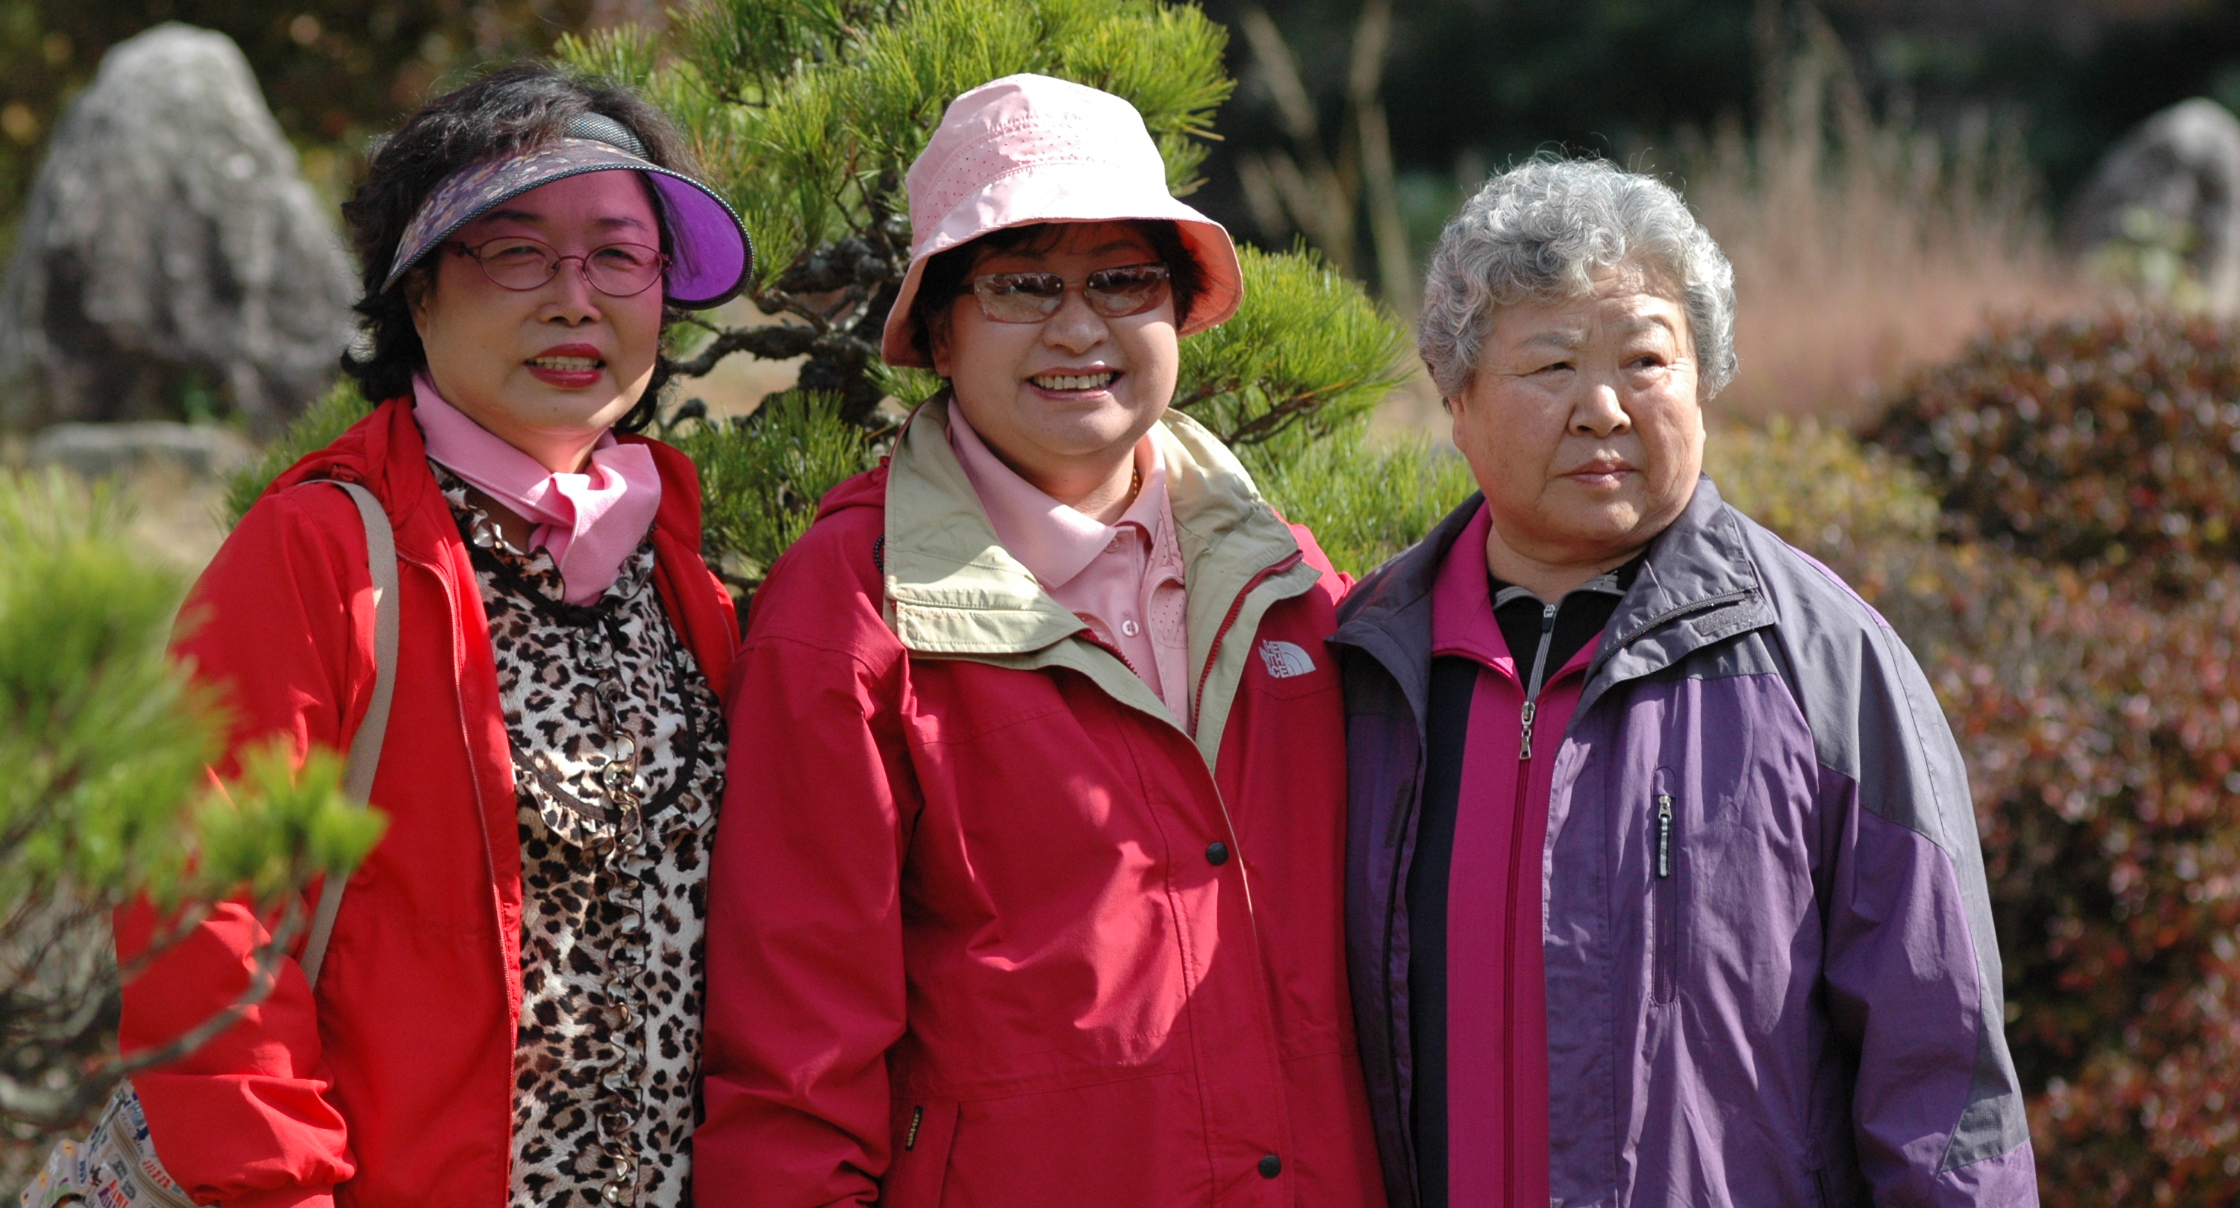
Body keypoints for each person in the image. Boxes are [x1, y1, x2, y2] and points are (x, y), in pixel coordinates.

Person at [694, 73, 1388, 1207]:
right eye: (1022, 284)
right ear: (941, 328)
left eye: (1123, 279)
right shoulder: (853, 608)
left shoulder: (1285, 581)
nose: (1079, 327)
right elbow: (792, 1061)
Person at [1331, 157, 2039, 1208]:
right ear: (1455, 396)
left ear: (1702, 380)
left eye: (1644, 360)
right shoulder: (1366, 664)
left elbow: (1939, 1072)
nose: (1602, 408)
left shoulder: (1822, 664)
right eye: (1550, 365)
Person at [115, 64, 752, 1208]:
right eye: (514, 252)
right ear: (416, 292)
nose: (574, 300)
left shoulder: (674, 566)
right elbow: (201, 913)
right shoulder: (319, 553)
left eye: (618, 254)